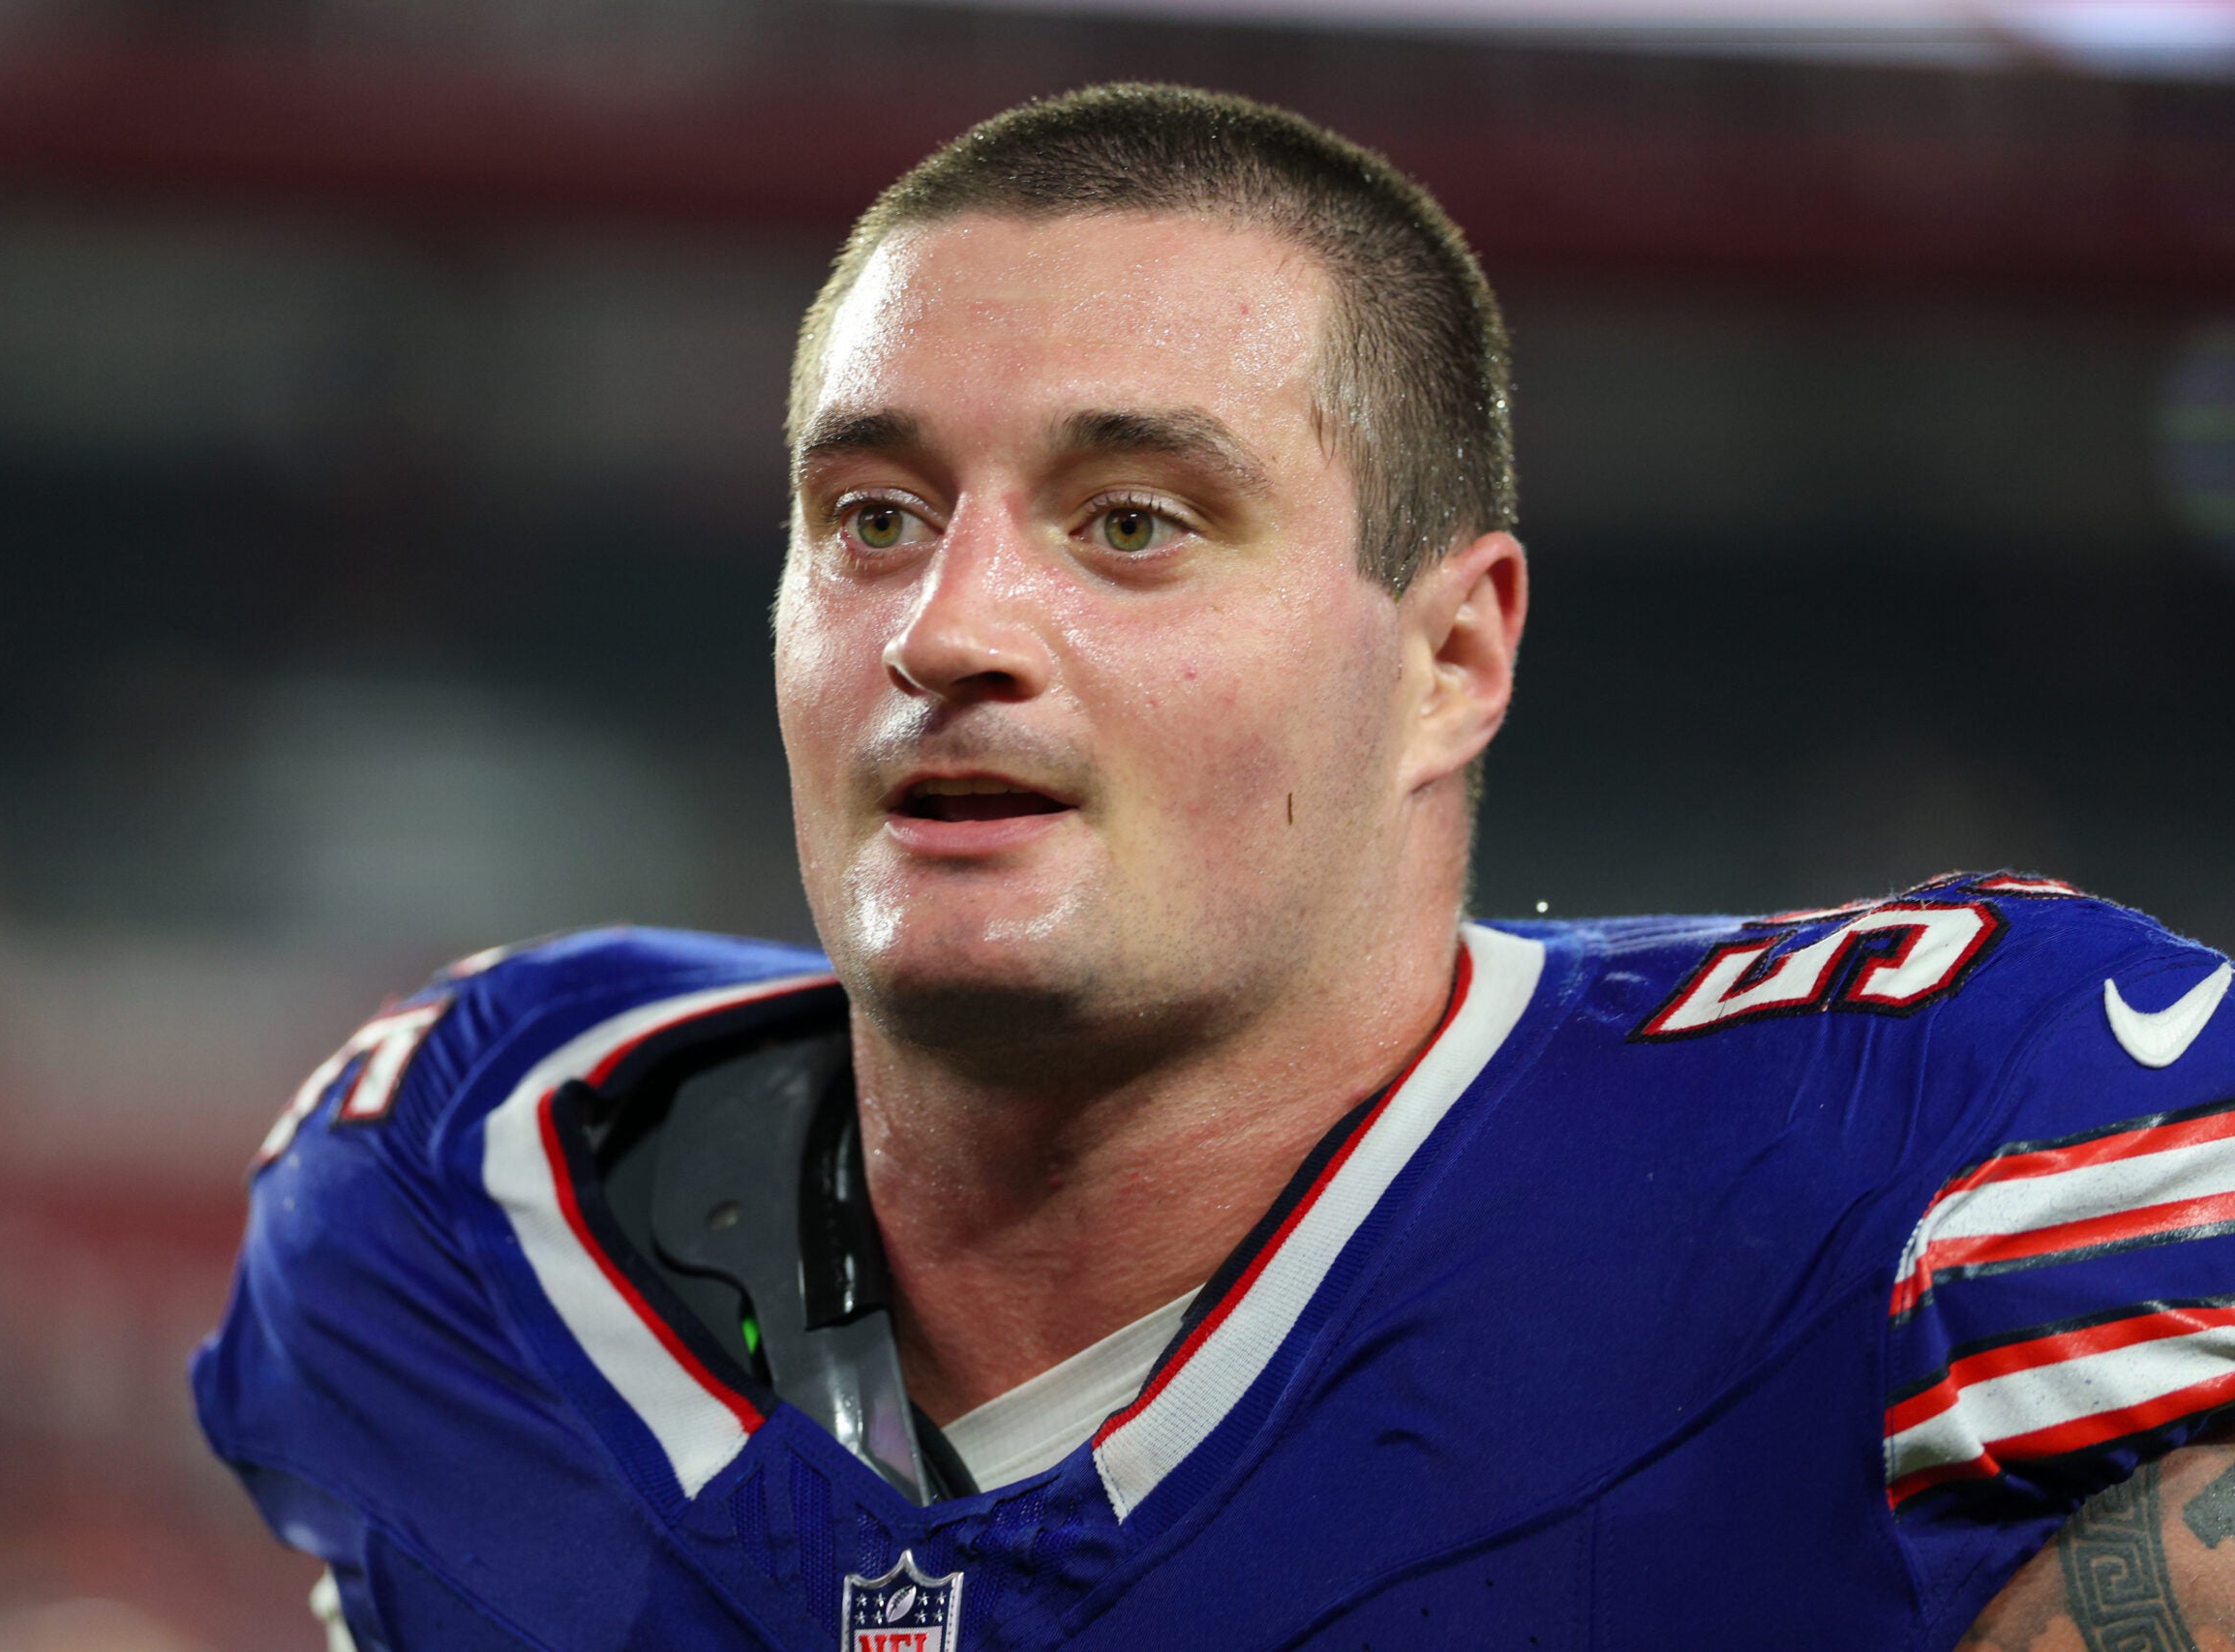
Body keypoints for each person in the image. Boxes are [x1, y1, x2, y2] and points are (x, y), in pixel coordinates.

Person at [191, 83, 2235, 1650]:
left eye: (1132, 520)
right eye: (875, 511)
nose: (947, 624)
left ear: (1450, 658)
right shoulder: (443, 1202)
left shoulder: (1909, 1125)